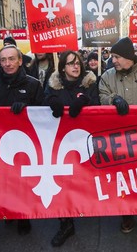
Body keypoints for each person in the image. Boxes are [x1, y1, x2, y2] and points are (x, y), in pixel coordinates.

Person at [0, 45, 44, 236]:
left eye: (11, 59)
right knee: (3, 181)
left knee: (23, 182)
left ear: (20, 60)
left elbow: (44, 112)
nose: (7, 64)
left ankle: (24, 215)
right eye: (3, 60)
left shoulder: (33, 84)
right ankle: (9, 211)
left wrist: (27, 108)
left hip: (26, 143)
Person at [99, 37, 137, 234]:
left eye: (116, 56)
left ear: (128, 57)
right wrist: (113, 99)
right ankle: (127, 214)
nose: (112, 60)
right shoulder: (107, 76)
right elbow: (101, 96)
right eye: (112, 56)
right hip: (119, 140)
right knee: (124, 179)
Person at [43, 50, 99, 247]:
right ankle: (66, 223)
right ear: (62, 67)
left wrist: (86, 101)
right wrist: (50, 101)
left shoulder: (91, 82)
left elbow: (100, 106)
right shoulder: (52, 85)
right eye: (70, 63)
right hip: (60, 144)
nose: (76, 66)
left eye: (78, 62)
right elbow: (42, 103)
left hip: (85, 143)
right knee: (63, 183)